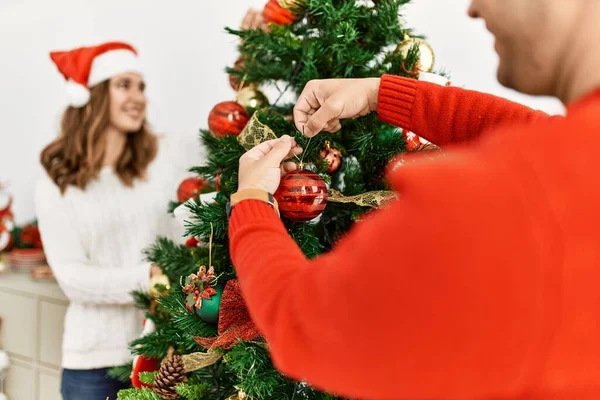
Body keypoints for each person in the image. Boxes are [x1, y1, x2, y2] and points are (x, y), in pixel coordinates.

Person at [228, 0, 600, 399]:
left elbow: (304, 326)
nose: (474, 9)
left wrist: (251, 202)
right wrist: (383, 94)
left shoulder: (503, 205)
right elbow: (546, 135)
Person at [35, 42, 181, 400]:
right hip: (93, 365)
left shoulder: (157, 166)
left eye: (141, 86)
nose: (138, 97)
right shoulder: (57, 184)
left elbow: (178, 235)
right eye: (124, 85)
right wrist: (144, 278)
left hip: (162, 356)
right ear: (95, 95)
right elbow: (71, 278)